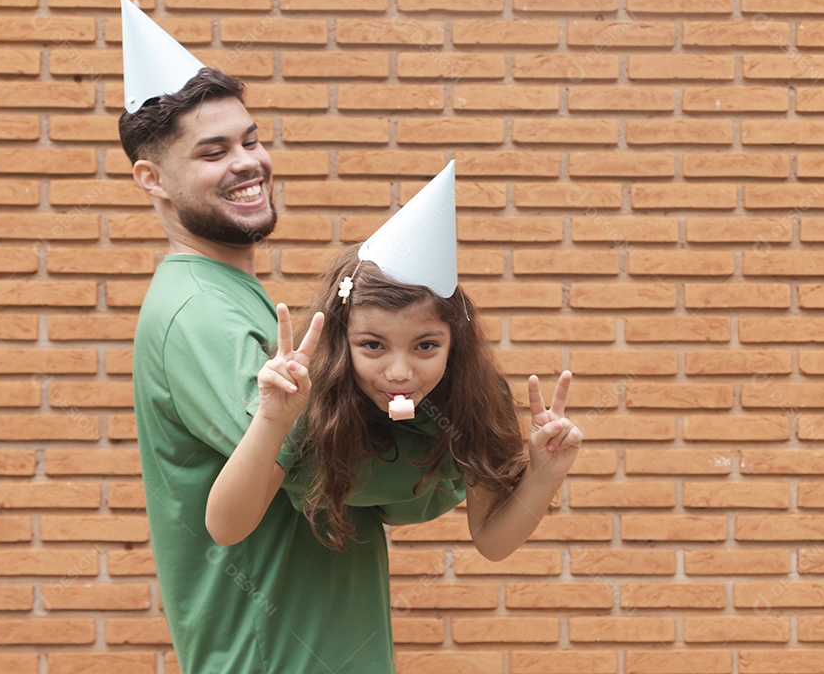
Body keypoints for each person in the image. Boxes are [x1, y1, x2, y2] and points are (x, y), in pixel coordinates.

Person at [120, 0, 430, 673]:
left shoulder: (236, 298)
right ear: (153, 180)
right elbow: (320, 464)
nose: (247, 163)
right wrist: (468, 459)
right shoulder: (198, 312)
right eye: (213, 151)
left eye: (250, 140)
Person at [207, 162, 584, 649]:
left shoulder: (471, 399)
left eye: (425, 346)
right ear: (344, 343)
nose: (400, 372)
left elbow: (492, 542)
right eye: (373, 346)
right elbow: (225, 527)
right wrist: (273, 418)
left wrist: (545, 473)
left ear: (455, 343)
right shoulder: (312, 397)